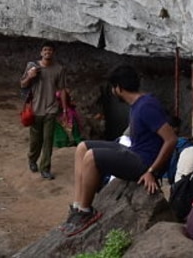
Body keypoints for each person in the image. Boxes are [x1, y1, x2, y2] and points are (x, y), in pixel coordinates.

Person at [60, 65, 177, 237]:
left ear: (118, 88)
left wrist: (152, 171)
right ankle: (78, 206)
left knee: (92, 158)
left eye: (113, 88)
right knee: (82, 147)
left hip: (144, 163)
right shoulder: (138, 103)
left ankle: (86, 212)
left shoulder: (146, 106)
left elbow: (171, 139)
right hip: (134, 152)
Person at [20, 41, 68, 180]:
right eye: (45, 50)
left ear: (53, 53)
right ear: (41, 53)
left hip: (51, 109)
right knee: (36, 140)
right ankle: (32, 159)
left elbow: (62, 89)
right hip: (35, 109)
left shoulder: (59, 69)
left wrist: (64, 110)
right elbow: (22, 84)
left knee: (48, 140)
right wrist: (30, 76)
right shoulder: (32, 66)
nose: (47, 52)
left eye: (50, 50)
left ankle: (45, 168)